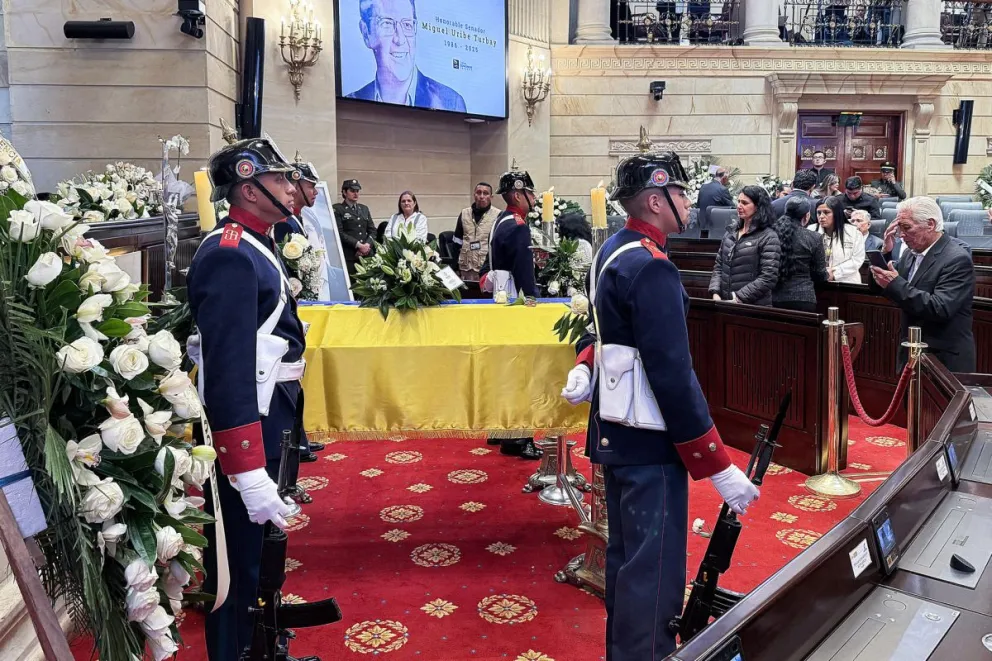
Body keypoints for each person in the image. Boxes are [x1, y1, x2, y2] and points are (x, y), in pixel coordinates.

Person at [559, 151, 759, 660]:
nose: (689, 201)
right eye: (681, 193)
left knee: (628, 567)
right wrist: (718, 466)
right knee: (652, 576)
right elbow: (671, 374)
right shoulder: (651, 266)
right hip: (651, 441)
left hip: (615, 434)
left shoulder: (613, 249)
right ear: (656, 198)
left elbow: (604, 330)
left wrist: (585, 361)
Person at [186, 138, 303, 661]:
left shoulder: (257, 244)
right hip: (248, 426)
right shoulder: (230, 254)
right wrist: (246, 467)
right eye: (280, 180)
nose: (291, 189)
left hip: (271, 416)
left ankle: (263, 641)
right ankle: (237, 651)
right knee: (239, 561)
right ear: (250, 188)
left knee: (264, 555)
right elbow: (228, 370)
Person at [871, 196, 976, 373]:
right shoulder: (910, 254)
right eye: (899, 228)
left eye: (907, 227)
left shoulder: (957, 259)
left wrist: (895, 283)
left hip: (942, 358)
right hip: (911, 351)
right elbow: (882, 289)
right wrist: (886, 253)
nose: (902, 235)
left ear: (930, 224)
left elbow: (940, 307)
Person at [479, 168, 542, 460]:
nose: (534, 198)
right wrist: (533, 303)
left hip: (500, 300)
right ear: (518, 194)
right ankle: (519, 437)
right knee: (520, 369)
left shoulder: (499, 221)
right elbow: (524, 273)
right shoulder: (518, 225)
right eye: (530, 193)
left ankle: (500, 428)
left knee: (502, 366)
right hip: (516, 303)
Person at [347, 0, 466, 112]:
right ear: (366, 33)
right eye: (387, 24)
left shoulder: (450, 103)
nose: (400, 39)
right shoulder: (351, 103)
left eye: (407, 25)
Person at [708, 185, 782, 306]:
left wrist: (738, 297)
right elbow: (719, 266)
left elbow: (768, 277)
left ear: (758, 207)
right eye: (738, 201)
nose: (739, 206)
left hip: (754, 306)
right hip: (726, 303)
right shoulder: (731, 232)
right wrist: (715, 292)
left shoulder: (768, 236)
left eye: (744, 203)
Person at [773, 196, 828, 312]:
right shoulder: (814, 237)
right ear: (807, 216)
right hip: (803, 298)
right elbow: (820, 275)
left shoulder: (771, 234)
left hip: (774, 297)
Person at [454, 182, 502, 295]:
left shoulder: (498, 215)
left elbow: (498, 246)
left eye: (485, 193)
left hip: (485, 269)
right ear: (474, 194)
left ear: (491, 197)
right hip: (465, 268)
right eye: (478, 192)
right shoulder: (464, 213)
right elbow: (457, 241)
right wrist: (455, 267)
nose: (481, 196)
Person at [810, 195, 866, 284]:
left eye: (826, 212)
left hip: (848, 282)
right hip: (818, 282)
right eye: (819, 213)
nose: (821, 216)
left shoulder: (853, 232)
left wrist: (835, 273)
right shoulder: (810, 231)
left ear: (836, 213)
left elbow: (857, 259)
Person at [333, 178, 376, 275]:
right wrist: (359, 245)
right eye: (352, 191)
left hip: (367, 255)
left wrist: (367, 246)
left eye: (357, 191)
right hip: (350, 257)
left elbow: (373, 231)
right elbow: (339, 233)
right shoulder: (338, 209)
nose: (356, 194)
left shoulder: (364, 208)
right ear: (344, 192)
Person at [696, 167, 734, 237]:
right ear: (724, 178)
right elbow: (732, 208)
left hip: (701, 229)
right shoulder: (723, 189)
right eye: (728, 178)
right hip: (717, 230)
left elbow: (698, 206)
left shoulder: (703, 187)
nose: (728, 180)